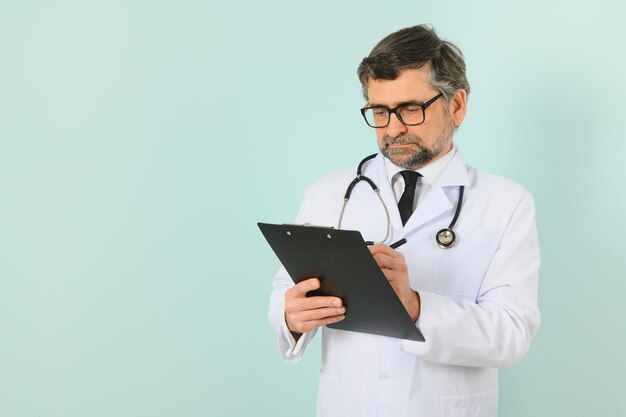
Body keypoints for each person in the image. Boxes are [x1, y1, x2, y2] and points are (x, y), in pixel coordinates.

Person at [267, 24, 540, 417]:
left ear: (456, 105)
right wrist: (291, 316)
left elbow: (512, 333)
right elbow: (282, 293)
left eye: (411, 109)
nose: (393, 128)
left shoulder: (506, 203)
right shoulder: (327, 192)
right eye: (380, 111)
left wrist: (414, 307)